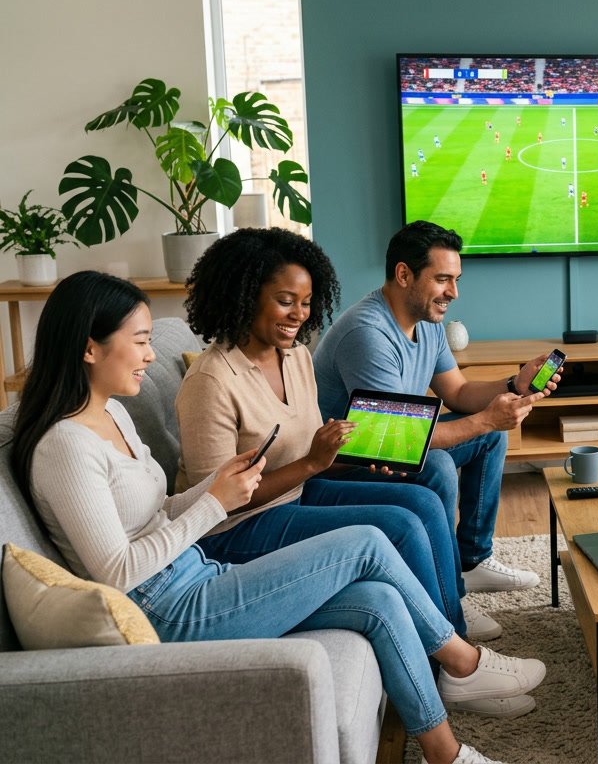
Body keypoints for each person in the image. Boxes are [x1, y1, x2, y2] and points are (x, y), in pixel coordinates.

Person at [13, 271, 547, 764]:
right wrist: (215, 503)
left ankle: (443, 753)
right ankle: (461, 662)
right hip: (167, 608)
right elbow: (117, 572)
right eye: (140, 340)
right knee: (365, 541)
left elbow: (156, 512)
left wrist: (219, 485)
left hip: (195, 571)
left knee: (379, 598)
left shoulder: (111, 414)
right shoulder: (66, 446)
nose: (151, 356)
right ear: (89, 346)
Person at [172, 229, 521, 707]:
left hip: (299, 489)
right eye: (285, 301)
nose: (300, 315)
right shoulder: (211, 381)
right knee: (404, 515)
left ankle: (451, 623)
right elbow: (221, 503)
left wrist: (369, 454)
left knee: (418, 498)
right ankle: (454, 660)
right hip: (239, 527)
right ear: (245, 296)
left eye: (306, 302)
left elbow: (320, 438)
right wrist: (317, 461)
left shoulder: (293, 356)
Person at [314, 221, 560, 595]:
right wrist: (487, 419)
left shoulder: (426, 320)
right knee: (441, 463)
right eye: (443, 278)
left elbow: (457, 392)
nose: (454, 292)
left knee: (489, 436)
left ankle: (471, 562)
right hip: (342, 465)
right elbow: (397, 440)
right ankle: (447, 594)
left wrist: (515, 383)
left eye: (456, 279)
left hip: (390, 443)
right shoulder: (368, 334)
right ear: (403, 274)